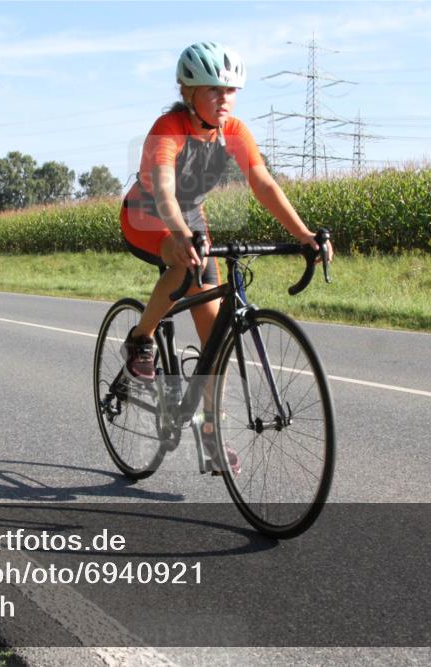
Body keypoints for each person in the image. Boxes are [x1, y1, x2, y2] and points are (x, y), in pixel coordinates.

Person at [119, 41, 334, 474]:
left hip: (190, 218)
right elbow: (164, 191)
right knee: (183, 260)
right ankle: (140, 338)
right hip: (147, 215)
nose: (224, 99)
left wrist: (305, 235)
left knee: (214, 341)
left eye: (231, 91)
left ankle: (210, 435)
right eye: (213, 90)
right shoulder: (168, 128)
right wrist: (181, 235)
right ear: (188, 92)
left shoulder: (233, 130)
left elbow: (263, 183)